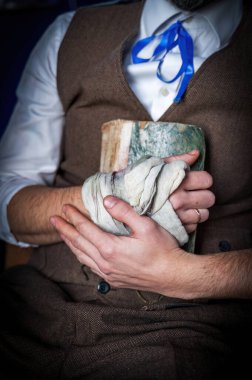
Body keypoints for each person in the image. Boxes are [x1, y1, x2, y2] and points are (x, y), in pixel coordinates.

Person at [0, 0, 251, 378]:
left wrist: (182, 274)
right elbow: (6, 198)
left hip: (189, 331)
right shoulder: (69, 34)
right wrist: (113, 197)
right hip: (35, 306)